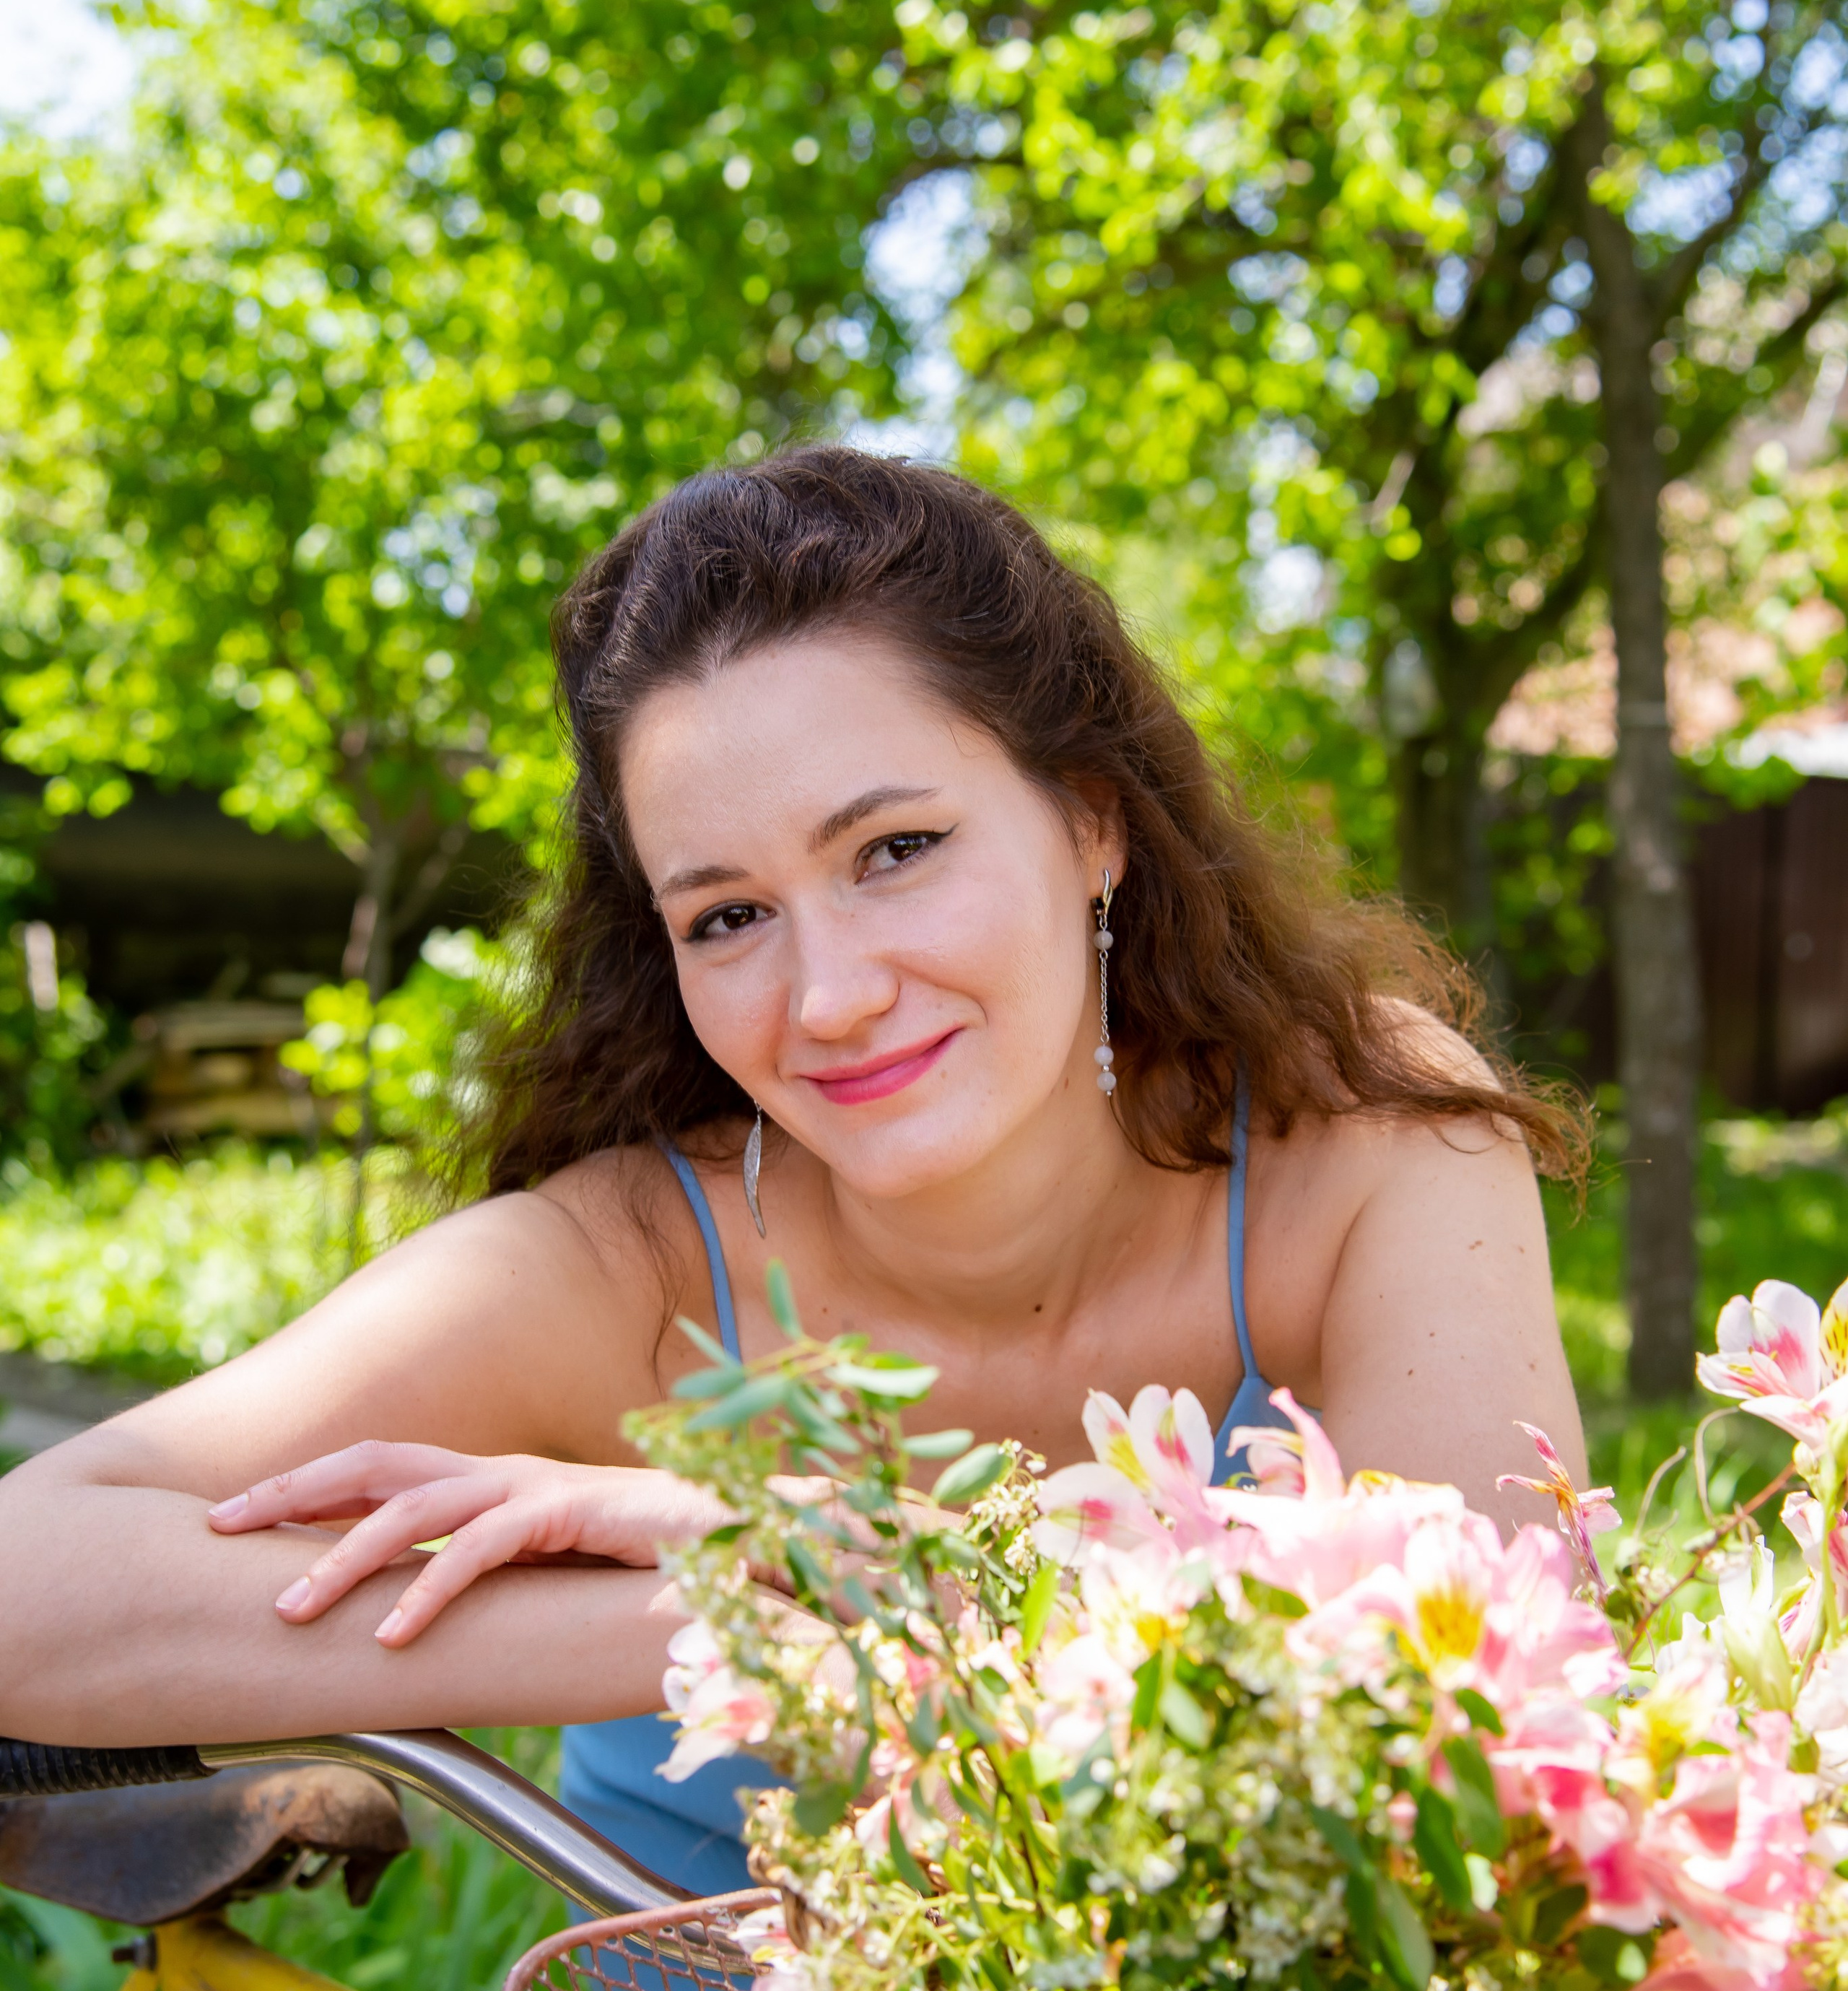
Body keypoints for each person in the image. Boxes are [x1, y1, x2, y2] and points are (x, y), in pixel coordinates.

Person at [0, 448, 1587, 1893]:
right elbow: (27, 1580)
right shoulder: (629, 1270)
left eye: (895, 850)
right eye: (729, 916)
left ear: (1091, 824)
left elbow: (1483, 1683)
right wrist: (727, 1612)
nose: (827, 997)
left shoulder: (1360, 1134)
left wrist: (843, 1559)